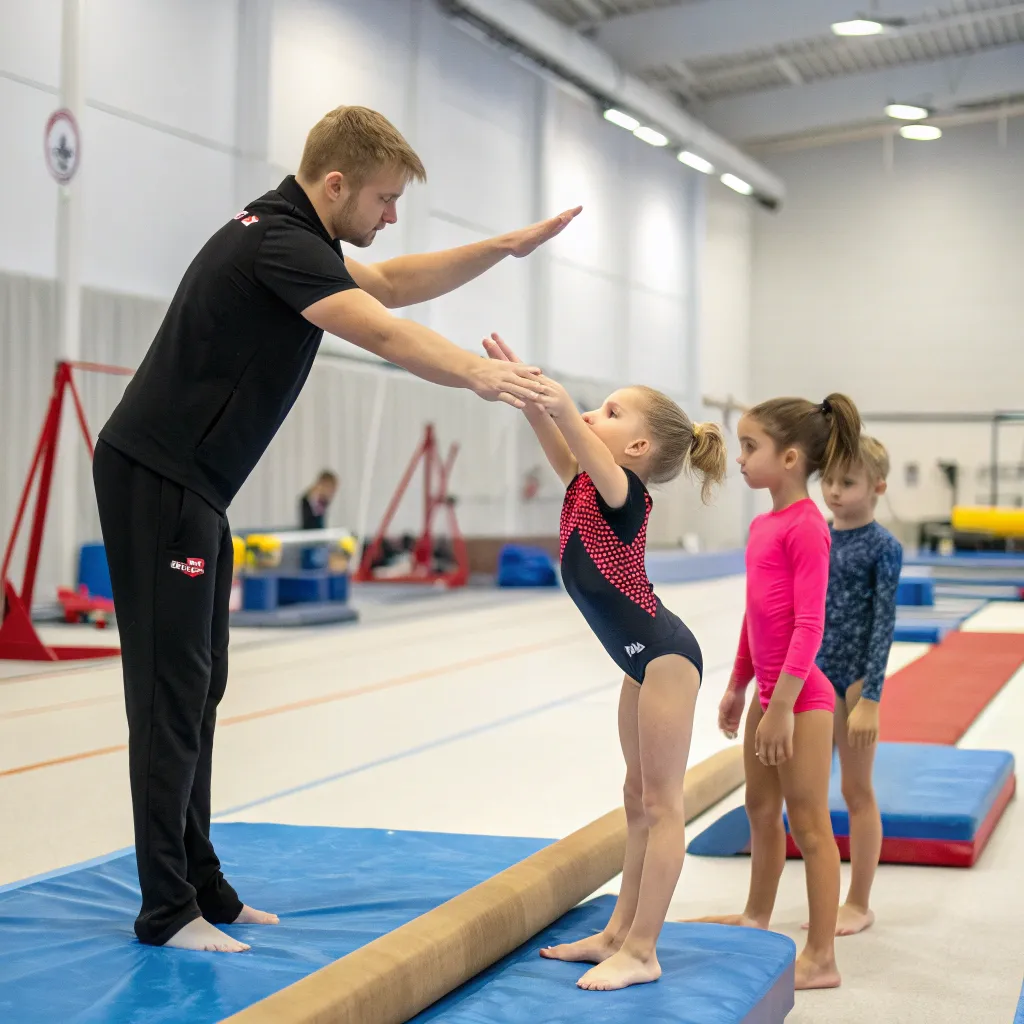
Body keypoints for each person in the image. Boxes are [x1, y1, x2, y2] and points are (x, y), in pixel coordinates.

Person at [92, 105, 581, 953]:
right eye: (385, 200)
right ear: (335, 185)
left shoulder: (294, 238)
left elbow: (391, 284)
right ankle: (165, 907)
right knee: (171, 695)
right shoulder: (277, 245)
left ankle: (202, 884)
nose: (391, 217)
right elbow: (383, 327)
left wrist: (501, 248)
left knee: (201, 689)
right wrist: (482, 374)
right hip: (160, 480)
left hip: (192, 488)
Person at [481, 334, 728, 991]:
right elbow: (552, 426)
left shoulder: (624, 494)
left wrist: (559, 398)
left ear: (639, 449)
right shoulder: (585, 484)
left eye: (612, 413)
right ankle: (617, 933)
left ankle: (644, 950)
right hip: (639, 661)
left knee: (661, 802)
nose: (595, 415)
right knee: (634, 797)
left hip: (667, 658)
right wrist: (524, 384)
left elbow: (566, 421)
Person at [696, 393, 862, 992]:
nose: (739, 459)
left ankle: (822, 956)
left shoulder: (807, 528)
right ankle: (757, 917)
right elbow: (756, 615)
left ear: (790, 458)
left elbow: (807, 625)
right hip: (770, 693)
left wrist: (783, 705)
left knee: (810, 825)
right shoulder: (763, 524)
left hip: (804, 699)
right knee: (760, 813)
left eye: (749, 447)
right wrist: (740, 686)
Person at [813, 435, 902, 936]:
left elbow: (883, 622)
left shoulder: (884, 547)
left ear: (877, 487)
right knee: (807, 792)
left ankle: (860, 901)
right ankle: (824, 893)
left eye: (847, 482)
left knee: (855, 789)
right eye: (828, 480)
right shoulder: (819, 534)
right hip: (814, 673)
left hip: (854, 680)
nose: (834, 490)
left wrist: (871, 697)